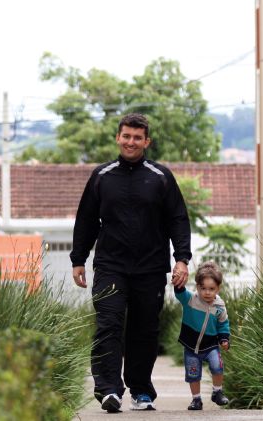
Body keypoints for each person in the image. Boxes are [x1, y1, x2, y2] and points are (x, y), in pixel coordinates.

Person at [71, 113, 192, 413]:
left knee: (144, 329)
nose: (131, 142)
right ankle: (109, 390)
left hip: (150, 268)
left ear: (146, 141)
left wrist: (182, 259)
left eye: (137, 137)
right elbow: (86, 220)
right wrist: (78, 259)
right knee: (108, 324)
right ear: (118, 138)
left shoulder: (161, 177)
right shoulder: (102, 176)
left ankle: (140, 391)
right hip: (110, 266)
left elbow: (178, 219)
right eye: (126, 136)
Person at [173, 260, 231, 411]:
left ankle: (217, 392)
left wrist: (224, 339)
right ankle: (196, 399)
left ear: (218, 288)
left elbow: (223, 324)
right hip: (191, 346)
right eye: (203, 288)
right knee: (193, 374)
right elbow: (180, 293)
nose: (207, 292)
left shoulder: (219, 306)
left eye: (211, 289)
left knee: (217, 366)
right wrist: (177, 281)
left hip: (211, 345)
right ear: (197, 286)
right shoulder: (191, 300)